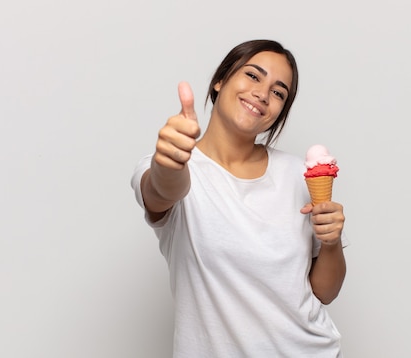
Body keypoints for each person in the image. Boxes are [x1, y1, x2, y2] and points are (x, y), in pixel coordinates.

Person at [131, 39, 348, 357]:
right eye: (253, 75)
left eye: (278, 92)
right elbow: (163, 190)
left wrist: (331, 242)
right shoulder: (172, 166)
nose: (262, 94)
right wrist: (168, 162)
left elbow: (324, 292)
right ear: (220, 80)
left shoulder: (297, 174)